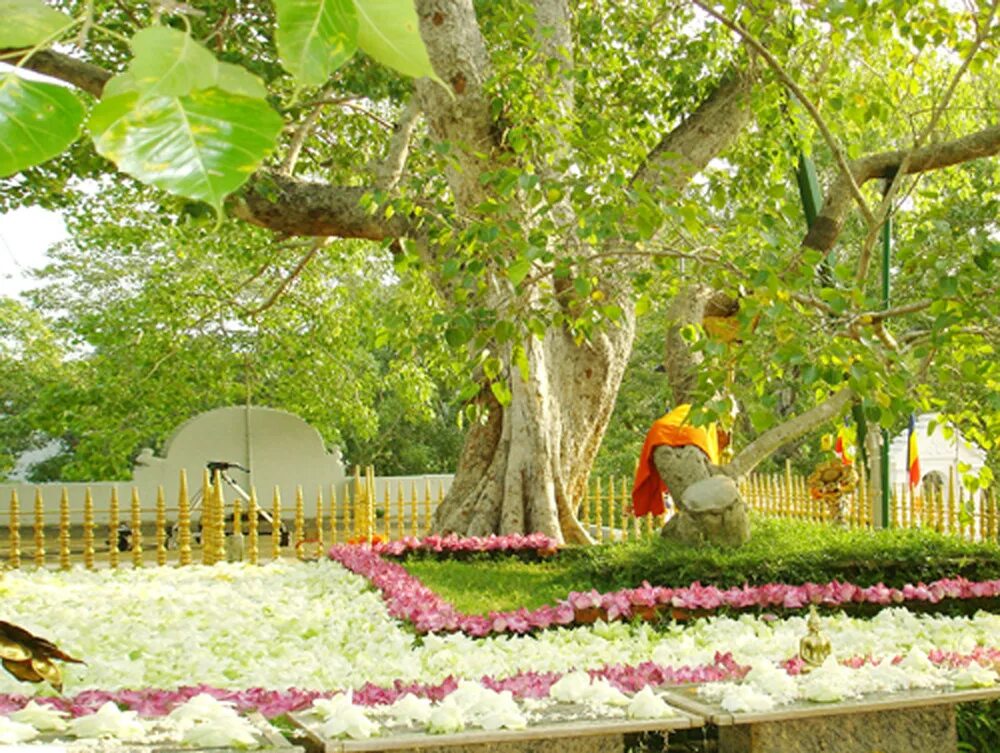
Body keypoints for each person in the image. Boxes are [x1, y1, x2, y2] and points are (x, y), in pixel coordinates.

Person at [630, 404, 727, 518]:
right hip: (693, 436)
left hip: (660, 433)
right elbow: (712, 452)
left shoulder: (682, 412)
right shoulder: (709, 420)